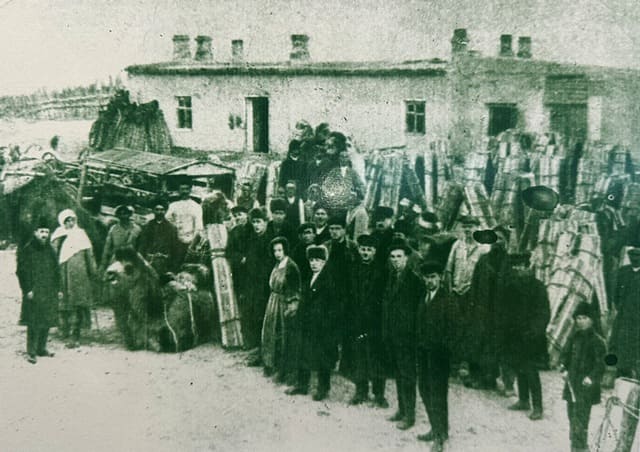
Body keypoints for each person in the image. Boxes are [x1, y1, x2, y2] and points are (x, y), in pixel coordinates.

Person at [285, 245, 340, 401]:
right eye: (311, 260)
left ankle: (323, 388)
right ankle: (302, 385)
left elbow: (334, 305)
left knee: (323, 357)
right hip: (308, 324)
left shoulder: (329, 279)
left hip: (323, 325)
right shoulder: (310, 277)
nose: (314, 263)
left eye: (318, 260)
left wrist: (328, 323)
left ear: (324, 262)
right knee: (304, 353)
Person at [382, 238, 426, 430]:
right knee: (399, 374)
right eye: (392, 257)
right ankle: (401, 409)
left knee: (407, 376)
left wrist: (415, 336)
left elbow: (420, 312)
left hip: (407, 337)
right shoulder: (391, 277)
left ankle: (410, 415)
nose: (395, 260)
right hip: (393, 335)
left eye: (399, 257)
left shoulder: (415, 281)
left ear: (407, 258)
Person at [503, 253, 550, 421]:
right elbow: (506, 311)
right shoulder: (511, 286)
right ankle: (523, 400)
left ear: (528, 267)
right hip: (514, 335)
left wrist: (535, 331)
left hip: (532, 337)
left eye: (522, 266)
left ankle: (538, 406)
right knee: (518, 366)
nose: (518, 270)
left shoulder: (538, 287)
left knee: (531, 371)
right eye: (515, 267)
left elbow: (544, 312)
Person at [416, 261, 457, 452]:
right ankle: (435, 427)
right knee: (424, 389)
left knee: (438, 395)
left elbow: (454, 331)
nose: (429, 281)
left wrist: (449, 355)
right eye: (426, 277)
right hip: (424, 353)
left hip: (439, 356)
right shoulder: (424, 297)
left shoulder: (448, 300)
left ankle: (441, 436)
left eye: (433, 277)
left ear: (440, 278)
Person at [343, 234, 388, 407]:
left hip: (375, 321)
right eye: (363, 249)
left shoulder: (382, 270)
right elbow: (347, 294)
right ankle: (361, 391)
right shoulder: (352, 268)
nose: (366, 253)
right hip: (356, 320)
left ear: (375, 252)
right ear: (359, 250)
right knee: (358, 355)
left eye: (369, 250)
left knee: (377, 357)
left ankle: (379, 394)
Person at [560, 302, 606, 452]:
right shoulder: (574, 337)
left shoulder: (598, 341)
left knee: (581, 417)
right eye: (578, 318)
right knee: (571, 415)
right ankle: (577, 445)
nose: (580, 321)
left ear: (591, 319)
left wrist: (591, 378)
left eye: (584, 318)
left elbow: (600, 365)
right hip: (572, 383)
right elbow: (564, 355)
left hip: (586, 387)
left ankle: (579, 447)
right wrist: (563, 368)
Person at [16, 218, 63, 364]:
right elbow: (21, 272)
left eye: (47, 232)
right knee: (33, 321)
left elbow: (57, 271)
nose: (44, 235)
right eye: (41, 231)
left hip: (49, 290)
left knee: (47, 319)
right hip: (34, 291)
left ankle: (42, 348)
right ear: (35, 232)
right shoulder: (28, 249)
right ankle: (31, 352)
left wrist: (59, 289)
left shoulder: (50, 250)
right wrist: (27, 289)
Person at [51, 209, 97, 348]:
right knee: (63, 301)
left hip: (79, 273)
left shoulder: (81, 234)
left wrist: (93, 271)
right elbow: (52, 254)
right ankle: (63, 329)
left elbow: (89, 254)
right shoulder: (57, 235)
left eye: (72, 220)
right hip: (62, 272)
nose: (70, 223)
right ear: (62, 222)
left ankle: (75, 333)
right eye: (67, 220)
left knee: (77, 301)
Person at [261, 237, 301, 382]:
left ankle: (286, 369)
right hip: (273, 302)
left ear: (285, 250)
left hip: (284, 303)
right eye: (275, 250)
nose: (277, 253)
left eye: (280, 250)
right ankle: (271, 364)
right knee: (270, 333)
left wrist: (291, 306)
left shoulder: (291, 266)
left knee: (283, 335)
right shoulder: (276, 265)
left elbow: (295, 289)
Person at [241, 207, 275, 365]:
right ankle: (257, 350)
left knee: (263, 318)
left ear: (266, 223)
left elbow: (269, 266)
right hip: (252, 285)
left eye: (259, 222)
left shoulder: (270, 240)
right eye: (254, 222)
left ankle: (264, 353)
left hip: (264, 286)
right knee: (253, 316)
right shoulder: (252, 239)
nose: (256, 225)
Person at [610, 247, 640, 378]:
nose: (635, 259)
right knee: (620, 343)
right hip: (623, 315)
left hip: (638, 317)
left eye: (638, 256)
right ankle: (620, 372)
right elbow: (616, 294)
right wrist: (621, 307)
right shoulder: (623, 271)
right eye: (632, 256)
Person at [166, 180, 204, 265]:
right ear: (178, 191)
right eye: (182, 189)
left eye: (186, 189)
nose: (184, 192)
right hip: (175, 241)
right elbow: (167, 221)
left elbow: (199, 227)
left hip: (190, 241)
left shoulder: (196, 206)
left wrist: (192, 244)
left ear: (190, 190)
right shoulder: (173, 205)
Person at [137, 200, 180, 275]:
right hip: (149, 260)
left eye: (162, 210)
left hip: (165, 262)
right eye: (157, 209)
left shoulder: (172, 228)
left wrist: (173, 267)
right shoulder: (147, 226)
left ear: (165, 211)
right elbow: (142, 245)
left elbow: (175, 248)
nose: (159, 212)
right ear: (153, 211)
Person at [101, 205, 141, 272]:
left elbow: (140, 246)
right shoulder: (113, 229)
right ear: (118, 216)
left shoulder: (137, 229)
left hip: (132, 259)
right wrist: (103, 264)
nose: (123, 216)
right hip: (116, 258)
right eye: (120, 214)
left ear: (129, 214)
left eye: (125, 213)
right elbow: (107, 247)